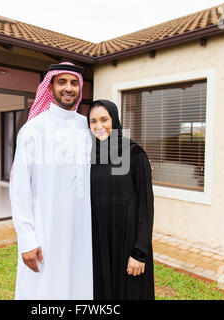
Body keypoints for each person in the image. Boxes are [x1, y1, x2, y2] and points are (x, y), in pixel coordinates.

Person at [9, 62, 93, 300]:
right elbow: (19, 189)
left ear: (80, 88)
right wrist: (26, 238)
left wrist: (136, 161)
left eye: (74, 83)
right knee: (42, 292)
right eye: (62, 82)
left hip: (81, 232)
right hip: (44, 233)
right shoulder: (33, 129)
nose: (69, 88)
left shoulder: (87, 127)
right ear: (50, 87)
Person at [87, 99, 155, 300]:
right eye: (93, 122)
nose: (99, 127)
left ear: (114, 120)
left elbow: (146, 206)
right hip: (100, 243)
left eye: (104, 120)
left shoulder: (134, 153)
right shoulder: (88, 156)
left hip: (128, 244)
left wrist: (139, 252)